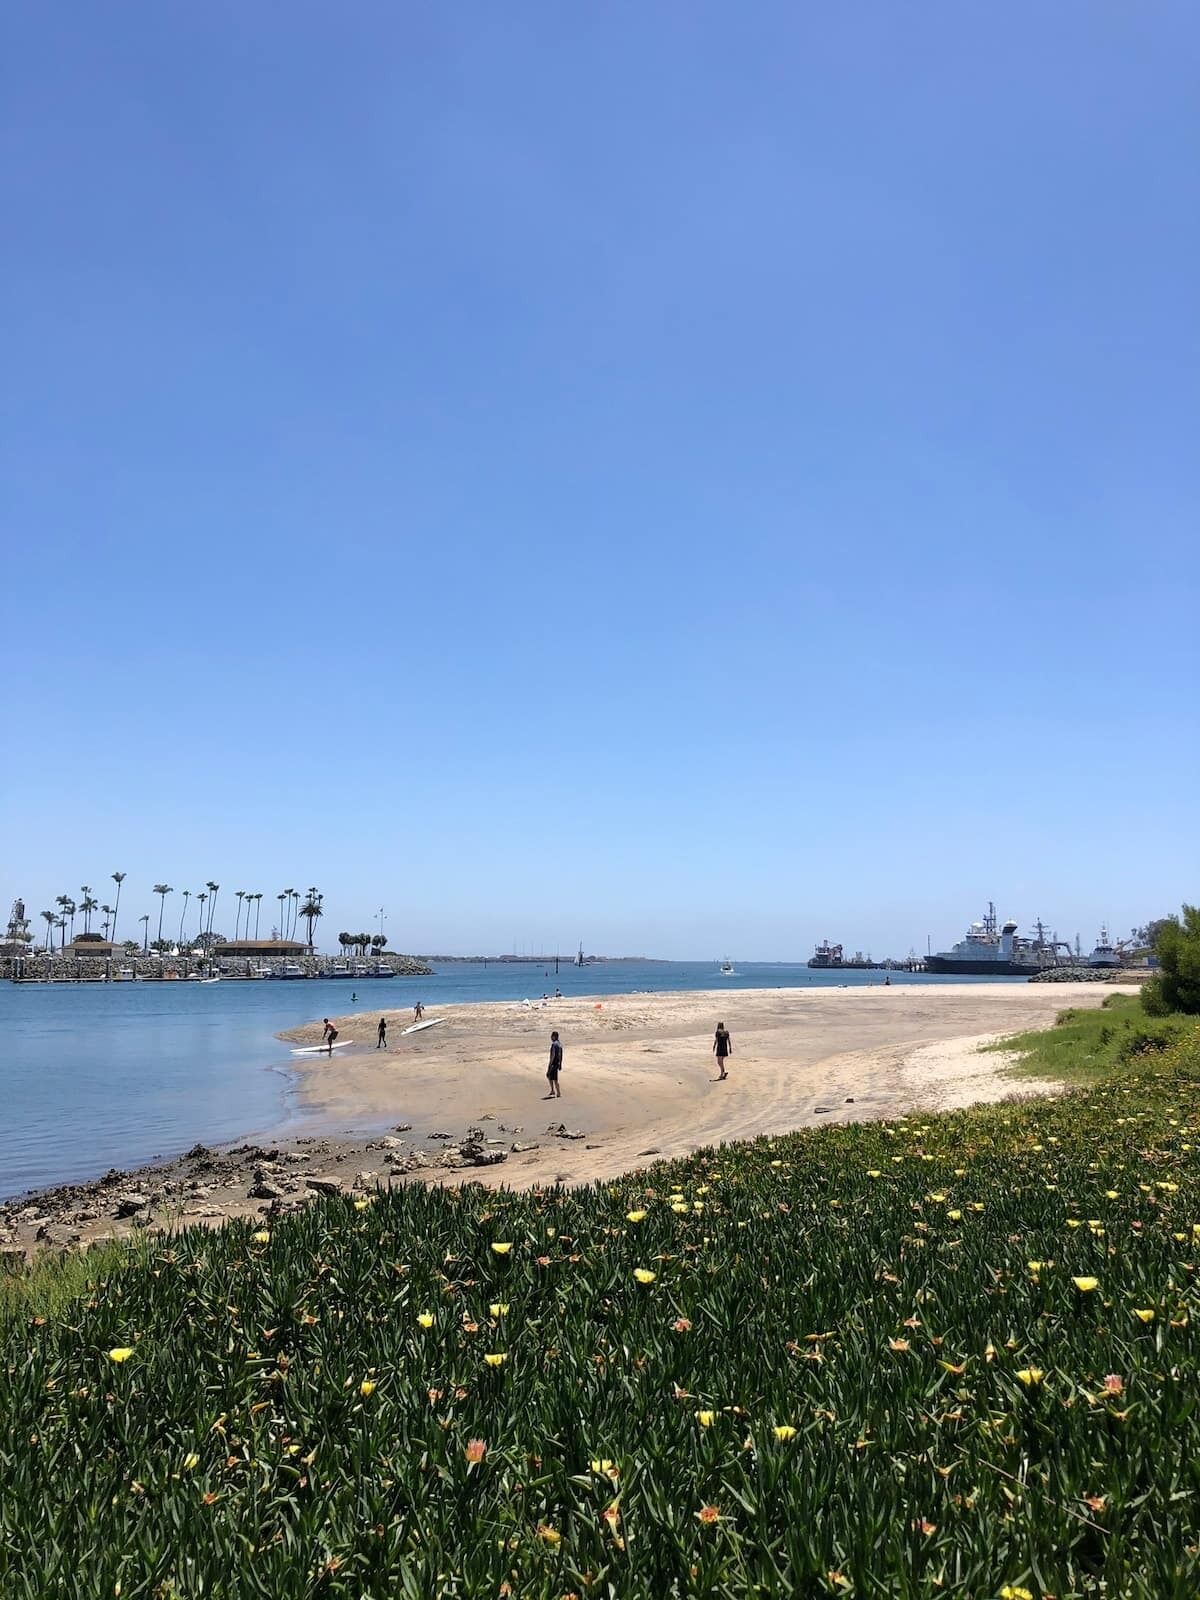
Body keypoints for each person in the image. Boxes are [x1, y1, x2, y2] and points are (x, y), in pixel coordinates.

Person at [544, 1030, 563, 1099]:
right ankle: (553, 1091)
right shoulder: (560, 1044)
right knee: (551, 1077)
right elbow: (561, 1055)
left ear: (554, 1037)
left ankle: (557, 1092)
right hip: (557, 1063)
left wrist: (550, 1064)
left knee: (551, 1077)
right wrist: (560, 1064)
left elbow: (553, 1055)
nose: (551, 1038)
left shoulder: (554, 1044)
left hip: (553, 1063)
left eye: (551, 1036)